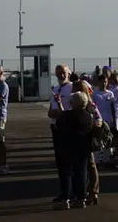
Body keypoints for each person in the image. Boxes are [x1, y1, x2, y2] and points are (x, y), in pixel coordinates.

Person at [55, 92, 95, 210]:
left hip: (66, 147)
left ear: (74, 103)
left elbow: (59, 125)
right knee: (81, 172)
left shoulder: (66, 116)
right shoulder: (88, 116)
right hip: (83, 147)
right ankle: (81, 198)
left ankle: (65, 198)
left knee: (66, 173)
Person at [47, 64, 74, 203]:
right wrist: (56, 113)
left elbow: (71, 110)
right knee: (60, 164)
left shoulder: (72, 88)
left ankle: (71, 192)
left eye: (63, 72)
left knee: (68, 163)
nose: (61, 75)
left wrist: (59, 113)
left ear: (68, 73)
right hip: (55, 129)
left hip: (67, 130)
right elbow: (50, 111)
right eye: (58, 73)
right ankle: (64, 192)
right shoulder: (56, 89)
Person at [91, 75, 116, 165]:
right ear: (99, 82)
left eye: (105, 81)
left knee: (108, 140)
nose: (104, 83)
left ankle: (107, 159)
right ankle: (97, 161)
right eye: (102, 81)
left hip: (108, 121)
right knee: (98, 141)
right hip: (99, 121)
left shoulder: (110, 94)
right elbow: (93, 109)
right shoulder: (95, 94)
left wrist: (114, 121)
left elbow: (113, 108)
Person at [104, 70, 118, 158]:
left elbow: (110, 99)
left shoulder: (117, 89)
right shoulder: (117, 87)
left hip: (115, 112)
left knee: (117, 132)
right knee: (117, 131)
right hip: (115, 111)